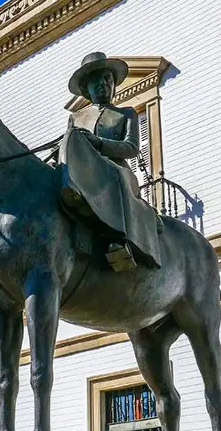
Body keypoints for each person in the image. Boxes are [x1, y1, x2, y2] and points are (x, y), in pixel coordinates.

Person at [63, 52, 160, 272]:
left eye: (108, 80)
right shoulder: (76, 118)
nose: (104, 85)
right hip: (84, 172)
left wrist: (98, 143)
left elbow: (132, 147)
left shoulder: (126, 114)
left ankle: (119, 240)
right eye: (97, 81)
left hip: (117, 171)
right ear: (87, 88)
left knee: (112, 174)